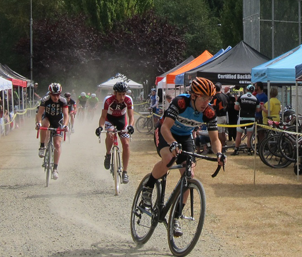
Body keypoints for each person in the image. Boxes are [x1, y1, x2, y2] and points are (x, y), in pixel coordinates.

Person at [138, 77, 225, 237]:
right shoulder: (180, 103)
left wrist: (219, 153)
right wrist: (172, 143)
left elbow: (214, 139)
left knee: (189, 174)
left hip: (185, 137)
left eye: (209, 98)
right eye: (203, 98)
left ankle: (176, 217)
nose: (206, 102)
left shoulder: (209, 113)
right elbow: (165, 127)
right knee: (168, 159)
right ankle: (148, 187)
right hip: (166, 133)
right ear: (193, 96)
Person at [95, 81, 135, 184]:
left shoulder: (128, 100)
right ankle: (108, 154)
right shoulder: (108, 100)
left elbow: (131, 116)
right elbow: (103, 117)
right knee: (110, 134)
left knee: (126, 144)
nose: (122, 97)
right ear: (115, 93)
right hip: (110, 119)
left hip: (122, 120)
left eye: (124, 94)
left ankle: (125, 172)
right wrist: (100, 127)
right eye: (120, 94)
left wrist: (131, 126)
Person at [35, 83, 69, 180]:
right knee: (45, 124)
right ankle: (42, 146)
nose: (56, 97)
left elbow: (66, 115)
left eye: (58, 94)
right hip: (48, 118)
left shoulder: (63, 101)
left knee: (57, 144)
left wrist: (65, 125)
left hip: (58, 121)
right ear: (50, 93)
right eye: (54, 95)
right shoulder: (45, 100)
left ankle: (55, 169)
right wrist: (38, 123)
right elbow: (39, 113)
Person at [233, 85, 258, 155]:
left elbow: (236, 108)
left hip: (242, 117)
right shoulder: (255, 98)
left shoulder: (241, 97)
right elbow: (258, 109)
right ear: (253, 91)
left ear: (246, 89)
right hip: (251, 118)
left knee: (239, 134)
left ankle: (236, 149)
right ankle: (249, 150)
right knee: (249, 135)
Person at [211, 83, 229, 148]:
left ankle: (221, 146)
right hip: (225, 115)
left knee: (219, 132)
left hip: (219, 116)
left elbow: (214, 106)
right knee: (223, 131)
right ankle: (224, 145)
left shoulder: (215, 96)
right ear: (221, 88)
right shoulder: (225, 96)